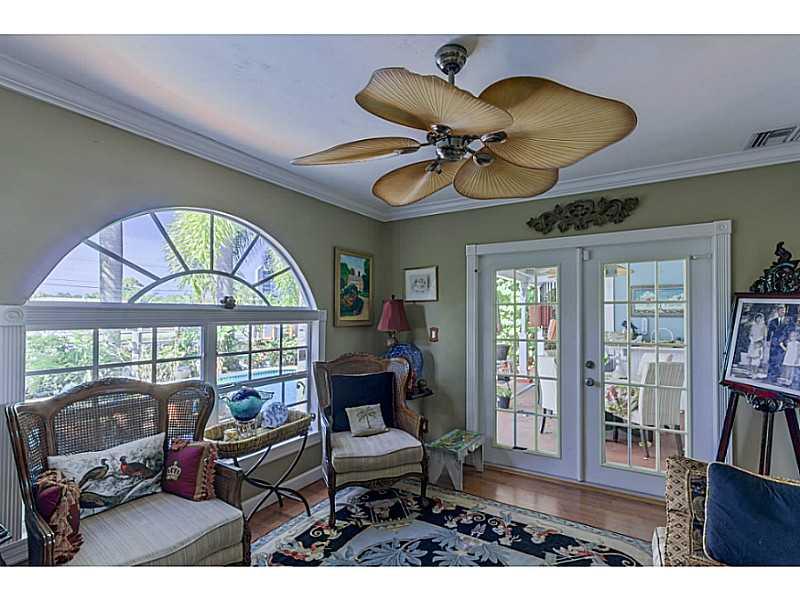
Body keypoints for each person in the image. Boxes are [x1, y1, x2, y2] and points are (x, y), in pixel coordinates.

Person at [767, 306, 791, 381]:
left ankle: (777, 377)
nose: (782, 312)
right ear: (777, 312)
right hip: (774, 343)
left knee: (780, 360)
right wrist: (768, 341)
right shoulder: (773, 321)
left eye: (783, 311)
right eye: (780, 311)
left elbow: (789, 331)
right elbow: (769, 331)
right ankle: (770, 376)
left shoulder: (788, 320)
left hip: (783, 343)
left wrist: (786, 341)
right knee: (772, 359)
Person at [747, 313, 767, 378]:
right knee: (751, 358)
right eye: (757, 318)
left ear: (762, 319)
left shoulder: (764, 326)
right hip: (752, 343)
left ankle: (755, 373)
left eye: (760, 318)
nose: (758, 319)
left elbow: (764, 336)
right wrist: (752, 340)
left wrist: (759, 341)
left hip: (759, 343)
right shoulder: (753, 326)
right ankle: (751, 372)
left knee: (756, 359)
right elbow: (750, 334)